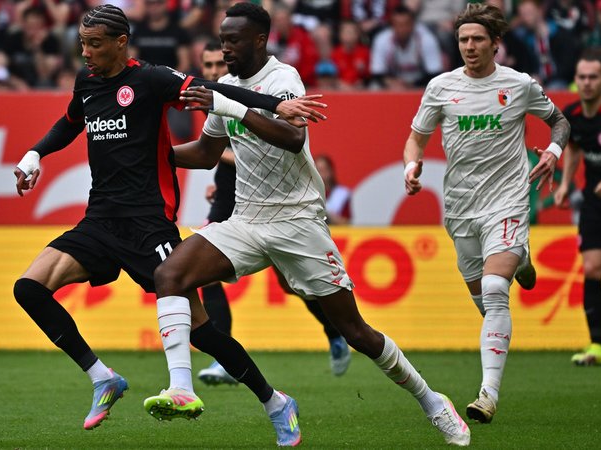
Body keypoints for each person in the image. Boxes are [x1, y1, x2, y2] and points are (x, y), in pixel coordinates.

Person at [152, 3, 471, 446]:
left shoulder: (282, 80)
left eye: (234, 40)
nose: (225, 48)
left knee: (354, 331)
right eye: (222, 39)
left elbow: (293, 137)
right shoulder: (224, 86)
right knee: (169, 275)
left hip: (298, 220)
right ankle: (182, 389)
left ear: (260, 39)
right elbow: (207, 155)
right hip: (247, 217)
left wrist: (230, 105)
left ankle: (433, 401)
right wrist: (151, 155)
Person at [11, 3, 326, 434]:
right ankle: (102, 377)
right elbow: (69, 123)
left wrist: (277, 105)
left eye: (95, 44)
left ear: (121, 43)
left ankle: (275, 402)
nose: (85, 52)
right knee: (28, 288)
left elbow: (216, 92)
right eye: (82, 43)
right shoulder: (86, 83)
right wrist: (35, 154)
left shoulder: (152, 79)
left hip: (149, 224)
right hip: (99, 220)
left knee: (202, 332)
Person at [403, 3, 570, 424]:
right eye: (463, 40)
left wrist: (552, 151)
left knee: (496, 288)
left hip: (508, 200)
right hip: (461, 208)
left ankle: (487, 395)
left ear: (496, 43)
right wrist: (412, 164)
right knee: (484, 300)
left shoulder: (519, 84)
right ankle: (523, 257)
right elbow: (416, 139)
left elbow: (560, 122)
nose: (470, 46)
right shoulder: (440, 87)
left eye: (478, 39)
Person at [194, 41, 352, 387]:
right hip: (231, 198)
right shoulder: (217, 103)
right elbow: (214, 149)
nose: (211, 72)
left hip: (278, 203)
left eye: (217, 64)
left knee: (289, 282)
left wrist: (222, 158)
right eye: (206, 66)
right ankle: (224, 359)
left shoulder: (256, 91)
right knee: (202, 275)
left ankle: (335, 329)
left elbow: (263, 145)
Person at [554, 48, 601, 367]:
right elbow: (575, 150)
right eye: (582, 77)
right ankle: (598, 346)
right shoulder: (573, 115)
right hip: (596, 204)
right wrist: (566, 183)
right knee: (592, 269)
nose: (587, 83)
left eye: (594, 77)